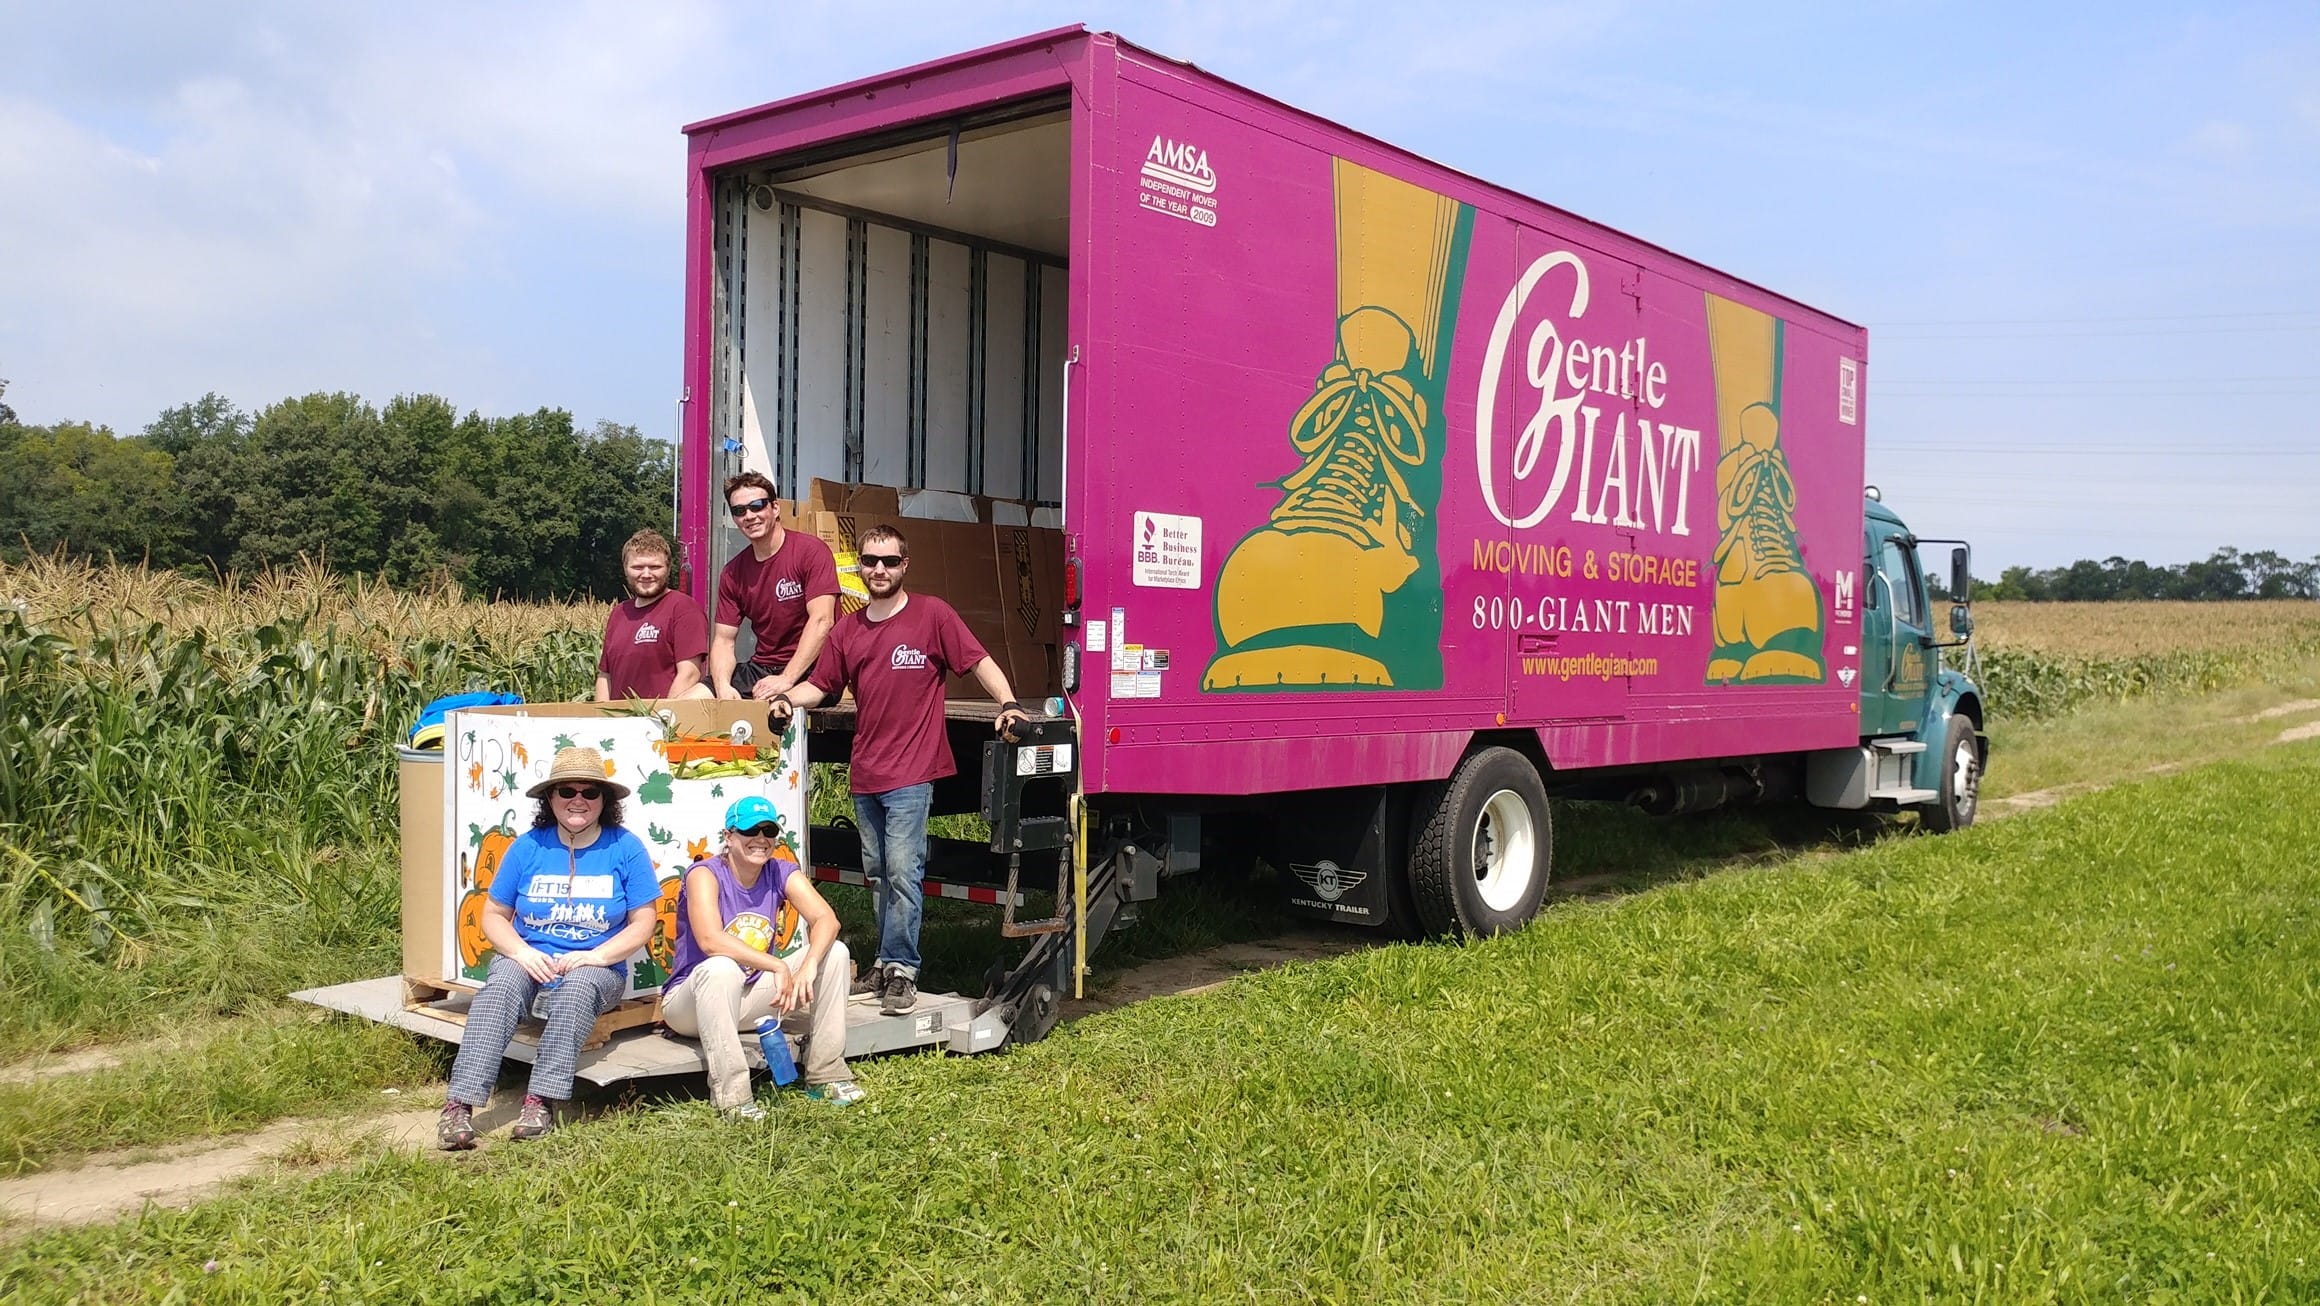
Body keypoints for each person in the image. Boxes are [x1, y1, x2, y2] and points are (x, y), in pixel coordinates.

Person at [770, 523, 1029, 1016]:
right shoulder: (848, 630)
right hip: (865, 773)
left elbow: (978, 661)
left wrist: (1009, 703)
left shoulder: (933, 615)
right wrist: (786, 698)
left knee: (904, 873)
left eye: (889, 561)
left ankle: (902, 972)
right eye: (870, 561)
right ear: (860, 567)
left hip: (912, 773)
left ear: (905, 565)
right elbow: (821, 687)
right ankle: (884, 962)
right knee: (878, 874)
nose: (879, 569)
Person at [437, 747, 661, 1149]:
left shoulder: (626, 848)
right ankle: (459, 1105)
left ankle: (540, 1099)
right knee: (499, 989)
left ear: (604, 800)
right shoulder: (528, 847)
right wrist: (521, 952)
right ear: (550, 798)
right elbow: (493, 915)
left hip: (596, 964)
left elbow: (644, 922)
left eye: (590, 792)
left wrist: (597, 956)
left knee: (578, 989)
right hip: (531, 955)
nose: (578, 800)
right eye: (566, 791)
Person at [659, 795, 864, 1116]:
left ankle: (826, 1074)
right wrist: (776, 965)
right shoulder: (704, 873)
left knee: (834, 952)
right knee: (721, 968)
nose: (760, 839)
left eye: (768, 831)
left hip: (750, 995)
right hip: (691, 1006)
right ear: (729, 837)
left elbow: (827, 919)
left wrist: (809, 965)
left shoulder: (780, 870)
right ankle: (734, 1097)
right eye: (749, 830)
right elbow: (710, 940)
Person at [708, 471, 840, 704]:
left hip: (815, 670)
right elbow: (723, 641)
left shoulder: (811, 551)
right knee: (691, 700)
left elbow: (822, 621)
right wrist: (722, 688)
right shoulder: (732, 572)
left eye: (757, 506)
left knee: (776, 705)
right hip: (763, 669)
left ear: (775, 508)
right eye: (739, 510)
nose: (749, 516)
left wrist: (786, 679)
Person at [595, 529, 712, 702]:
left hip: (662, 716)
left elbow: (689, 674)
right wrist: (601, 715)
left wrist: (663, 714)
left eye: (655, 567)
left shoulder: (683, 608)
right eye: (637, 567)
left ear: (668, 568)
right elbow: (605, 676)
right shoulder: (619, 613)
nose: (646, 574)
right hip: (619, 718)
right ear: (625, 569)